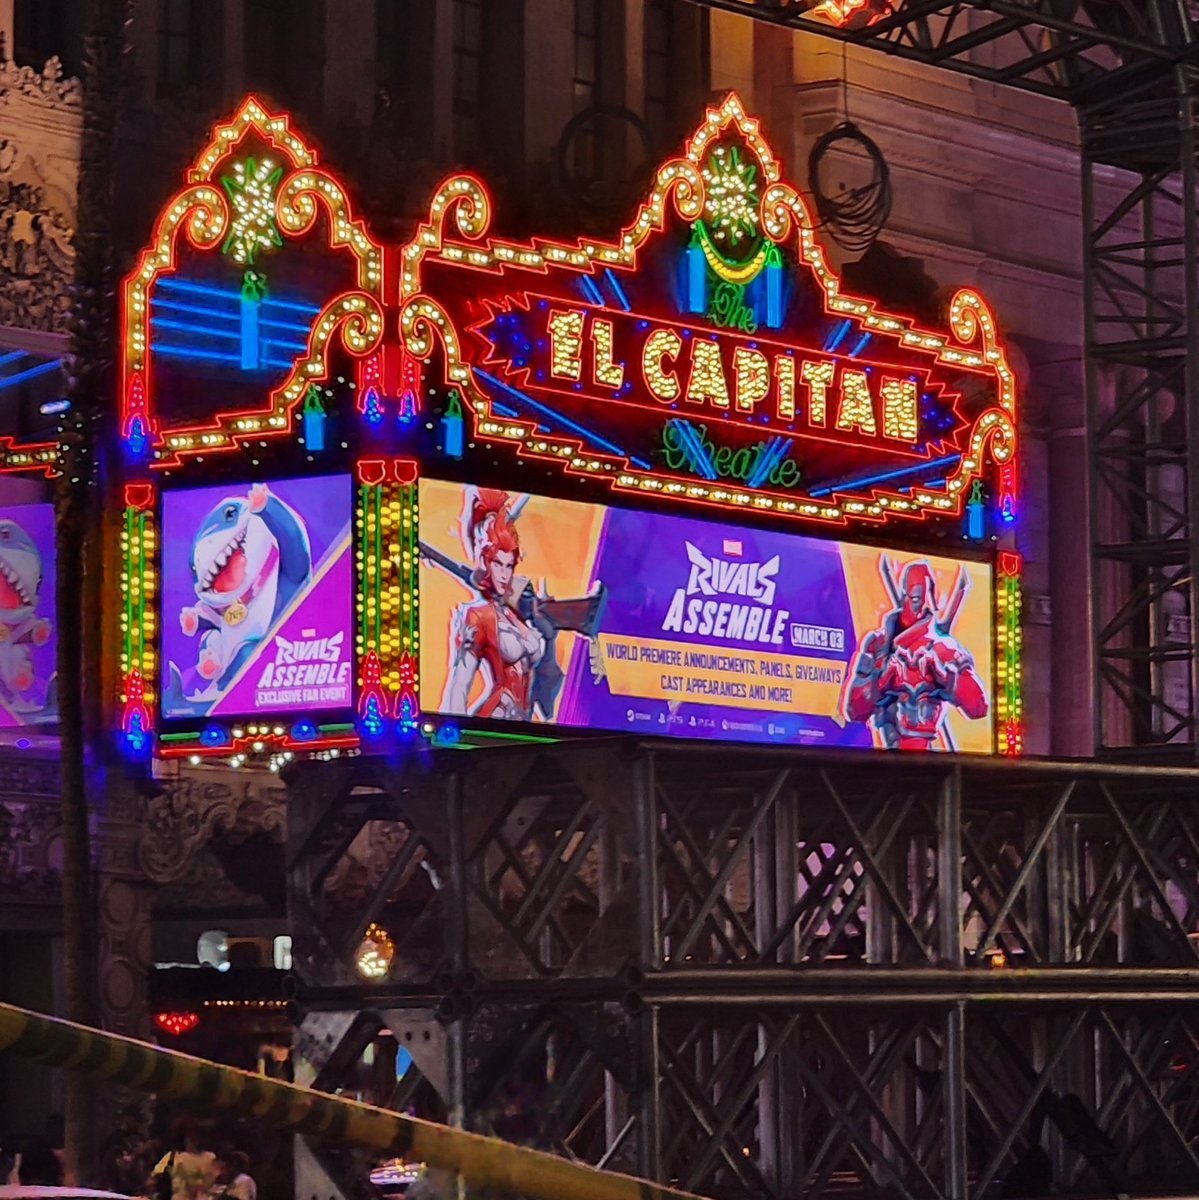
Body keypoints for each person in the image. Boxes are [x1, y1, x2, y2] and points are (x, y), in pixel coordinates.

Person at [151, 1120, 217, 1200]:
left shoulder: (209, 1157)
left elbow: (154, 1177)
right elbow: (155, 1178)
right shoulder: (173, 1157)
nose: (196, 1140)